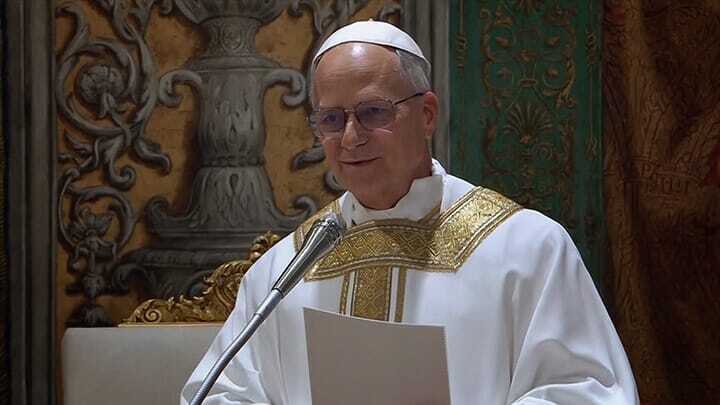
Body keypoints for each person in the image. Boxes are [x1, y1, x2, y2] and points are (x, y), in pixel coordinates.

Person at [181, 21, 639, 404]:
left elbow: (587, 391)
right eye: (331, 119)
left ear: (427, 114)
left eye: (373, 112)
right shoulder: (281, 272)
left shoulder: (528, 249)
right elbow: (223, 395)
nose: (351, 137)